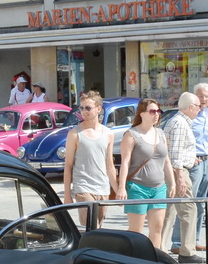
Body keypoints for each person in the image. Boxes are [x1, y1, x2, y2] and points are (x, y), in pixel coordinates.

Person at [118, 98, 172, 248]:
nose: (156, 114)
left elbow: (166, 160)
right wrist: (121, 187)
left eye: (158, 111)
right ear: (142, 114)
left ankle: (154, 257)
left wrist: (172, 182)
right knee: (136, 231)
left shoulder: (160, 133)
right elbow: (125, 162)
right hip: (137, 187)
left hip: (159, 187)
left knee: (157, 228)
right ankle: (134, 258)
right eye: (152, 111)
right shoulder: (131, 134)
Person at [63, 91, 117, 229]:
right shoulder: (74, 133)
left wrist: (118, 190)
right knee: (93, 227)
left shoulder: (108, 134)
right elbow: (68, 165)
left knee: (97, 230)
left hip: (103, 188)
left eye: (88, 108)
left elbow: (110, 165)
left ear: (98, 109)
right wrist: (67, 195)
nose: (84, 111)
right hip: (83, 187)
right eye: (81, 108)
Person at [162, 91, 205, 263]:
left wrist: (190, 158)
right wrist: (180, 177)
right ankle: (187, 251)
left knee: (169, 210)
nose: (200, 110)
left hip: (175, 169)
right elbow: (175, 153)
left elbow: (177, 150)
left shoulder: (178, 121)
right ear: (191, 107)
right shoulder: (180, 123)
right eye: (198, 106)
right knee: (188, 209)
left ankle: (159, 248)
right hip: (178, 171)